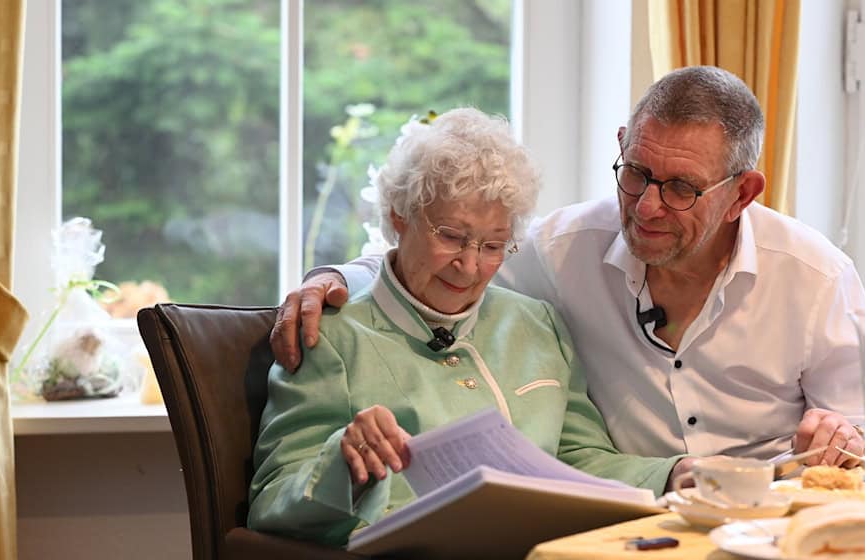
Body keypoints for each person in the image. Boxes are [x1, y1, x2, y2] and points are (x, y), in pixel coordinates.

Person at [271, 66, 865, 468]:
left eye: (683, 188)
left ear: (742, 193)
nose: (648, 206)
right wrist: (329, 278)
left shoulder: (816, 279)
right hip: (632, 526)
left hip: (770, 524)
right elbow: (432, 259)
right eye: (635, 172)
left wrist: (842, 439)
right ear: (621, 145)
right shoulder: (562, 249)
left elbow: (861, 438)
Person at [248, 108, 688, 545]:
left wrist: (671, 476)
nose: (470, 265)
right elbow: (273, 499)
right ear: (400, 215)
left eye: (493, 245)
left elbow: (577, 459)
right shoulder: (332, 336)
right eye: (452, 237)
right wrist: (343, 463)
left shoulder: (538, 324)